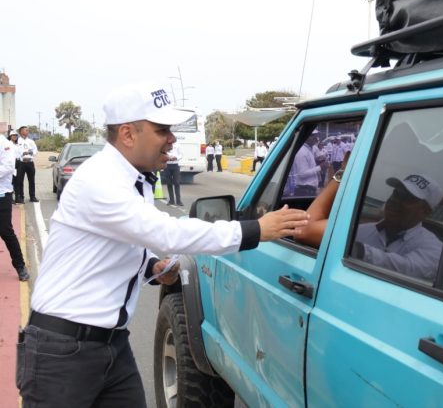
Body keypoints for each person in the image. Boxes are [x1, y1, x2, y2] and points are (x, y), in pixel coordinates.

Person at [17, 81, 309, 407]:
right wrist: (255, 230)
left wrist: (151, 267)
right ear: (128, 134)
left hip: (110, 346)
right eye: (162, 130)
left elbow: (118, 243)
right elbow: (165, 233)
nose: (172, 139)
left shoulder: (133, 178)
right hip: (63, 351)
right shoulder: (100, 181)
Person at [295, 169, 443, 282]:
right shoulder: (362, 231)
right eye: (396, 193)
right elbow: (304, 230)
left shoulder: (434, 248)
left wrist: (357, 250)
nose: (395, 200)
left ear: (426, 211)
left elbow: (408, 268)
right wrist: (343, 172)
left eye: (407, 198)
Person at [0, 129, 30, 281]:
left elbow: (8, 167)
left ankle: (20, 266)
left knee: (5, 231)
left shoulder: (5, 144)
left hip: (2, 195)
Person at [290, 132, 328, 196]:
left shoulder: (310, 149)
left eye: (315, 135)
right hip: (304, 190)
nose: (315, 138)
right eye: (312, 135)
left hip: (309, 190)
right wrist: (320, 167)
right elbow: (302, 174)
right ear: (306, 137)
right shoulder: (302, 151)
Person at [15, 125, 39, 203]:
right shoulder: (17, 141)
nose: (28, 131)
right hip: (21, 163)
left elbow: (35, 150)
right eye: (26, 130)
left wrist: (31, 152)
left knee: (31, 180)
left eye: (28, 130)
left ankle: (32, 196)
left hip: (30, 163)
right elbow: (16, 152)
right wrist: (22, 153)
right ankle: (21, 197)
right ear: (21, 131)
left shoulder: (31, 141)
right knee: (20, 181)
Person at [164, 142, 183, 206]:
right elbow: (162, 153)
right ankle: (171, 200)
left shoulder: (177, 145)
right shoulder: (165, 144)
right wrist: (167, 157)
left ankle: (178, 201)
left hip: (175, 165)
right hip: (167, 165)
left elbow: (181, 154)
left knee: (177, 183)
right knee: (169, 183)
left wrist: (176, 157)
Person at [7, 130, 20, 202]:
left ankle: (17, 198)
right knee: (11, 181)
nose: (15, 136)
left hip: (18, 162)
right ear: (10, 136)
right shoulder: (8, 144)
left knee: (18, 181)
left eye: (16, 135)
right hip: (11, 163)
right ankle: (10, 198)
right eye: (13, 135)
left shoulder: (17, 144)